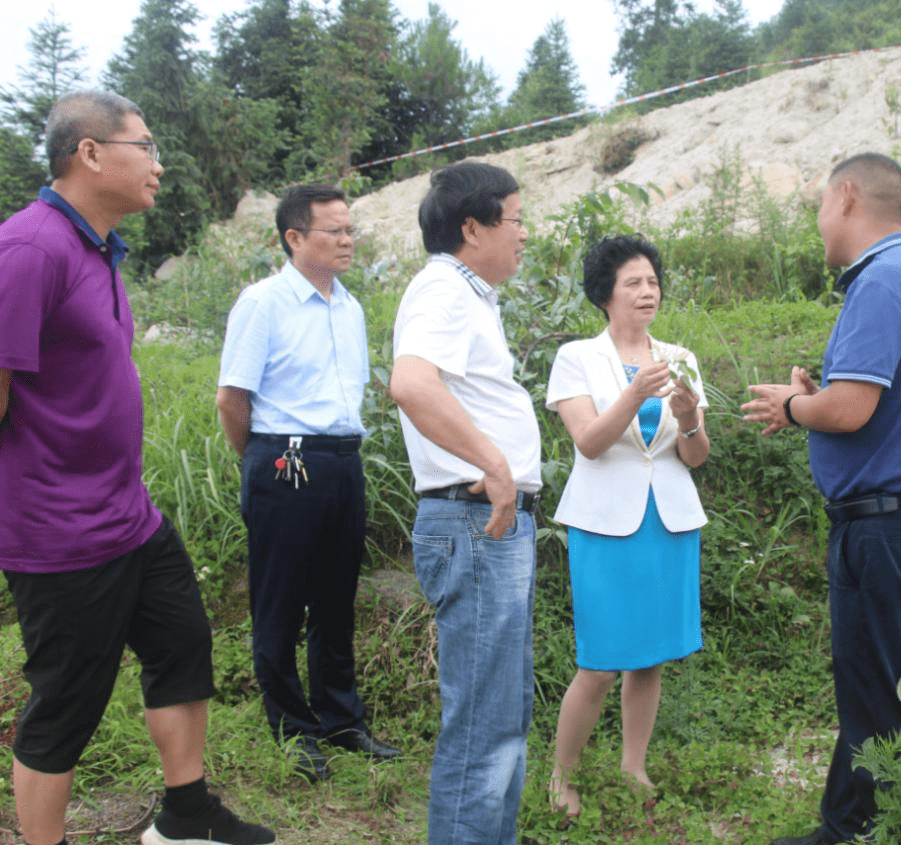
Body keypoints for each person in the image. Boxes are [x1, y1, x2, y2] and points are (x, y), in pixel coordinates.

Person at [0, 91, 274, 845]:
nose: (158, 163)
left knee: (183, 644)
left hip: (127, 514)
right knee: (66, 702)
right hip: (59, 531)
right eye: (145, 146)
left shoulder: (98, 250)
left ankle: (185, 816)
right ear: (90, 153)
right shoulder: (29, 249)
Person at [742, 153, 901, 844]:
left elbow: (849, 409)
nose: (816, 222)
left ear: (844, 197)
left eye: (817, 204)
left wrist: (798, 401)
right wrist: (814, 400)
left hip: (886, 525)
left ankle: (890, 830)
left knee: (885, 694)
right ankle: (847, 826)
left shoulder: (882, 282)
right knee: (875, 685)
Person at [215, 184, 400, 781]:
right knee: (279, 602)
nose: (348, 241)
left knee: (336, 598)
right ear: (295, 238)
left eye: (351, 231)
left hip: (343, 461)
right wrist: (260, 461)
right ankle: (292, 731)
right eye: (334, 231)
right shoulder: (263, 302)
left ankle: (342, 720)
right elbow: (232, 398)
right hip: (283, 460)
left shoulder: (349, 306)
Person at [389, 161, 540, 845]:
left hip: (487, 524)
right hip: (474, 518)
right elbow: (412, 384)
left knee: (501, 719)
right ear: (471, 226)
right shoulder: (443, 289)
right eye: (514, 218)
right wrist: (494, 462)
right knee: (483, 724)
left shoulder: (471, 295)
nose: (525, 233)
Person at [546, 235, 711, 819]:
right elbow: (589, 443)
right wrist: (633, 391)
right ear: (605, 294)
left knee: (650, 657)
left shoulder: (681, 356)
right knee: (599, 659)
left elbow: (693, 457)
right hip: (603, 522)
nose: (647, 293)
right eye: (633, 283)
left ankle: (632, 765)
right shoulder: (576, 357)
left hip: (668, 519)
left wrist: (690, 419)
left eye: (653, 282)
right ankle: (561, 778)